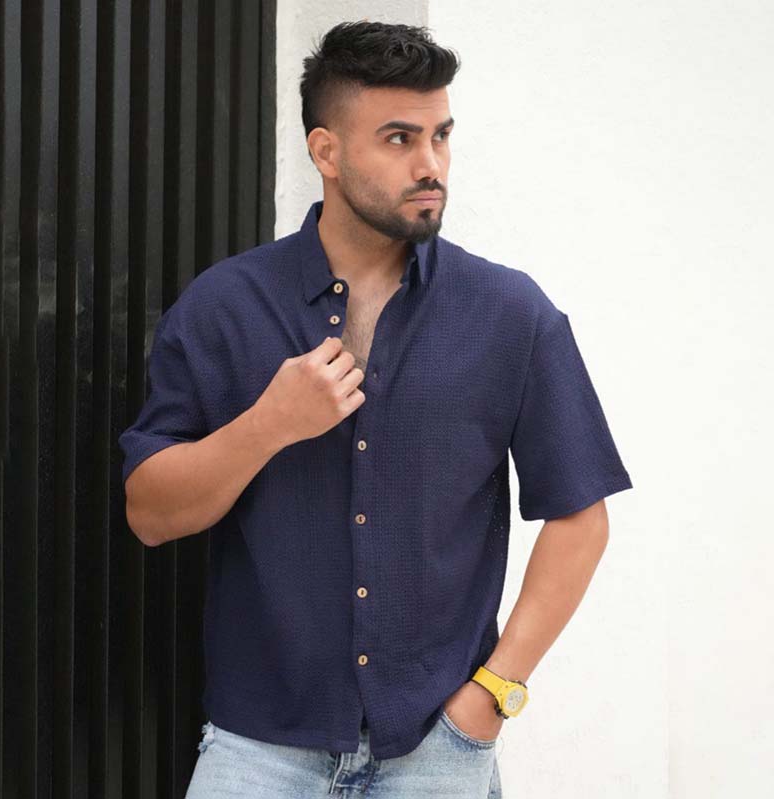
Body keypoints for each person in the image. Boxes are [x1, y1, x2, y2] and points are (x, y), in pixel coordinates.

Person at [118, 20, 633, 799]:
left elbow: (581, 517)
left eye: (440, 136)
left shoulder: (509, 314)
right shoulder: (226, 306)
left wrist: (494, 695)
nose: (431, 165)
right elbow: (150, 513)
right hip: (258, 751)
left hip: (438, 752)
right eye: (399, 138)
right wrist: (269, 424)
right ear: (325, 152)